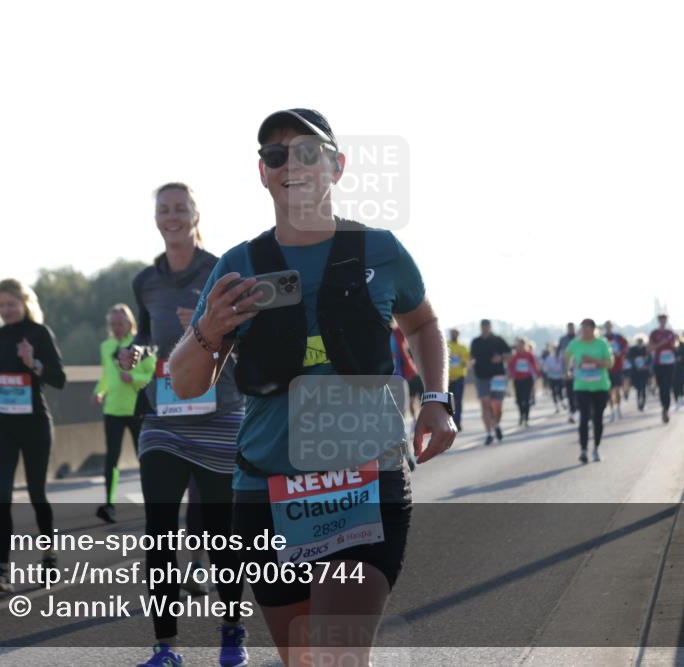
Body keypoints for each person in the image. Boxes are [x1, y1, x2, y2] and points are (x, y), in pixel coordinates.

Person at [167, 108, 456, 667]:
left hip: (363, 484)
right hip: (266, 493)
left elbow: (422, 323)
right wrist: (208, 329)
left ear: (336, 166)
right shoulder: (240, 265)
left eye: (307, 151)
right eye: (276, 156)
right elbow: (186, 382)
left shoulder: (381, 250)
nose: (290, 164)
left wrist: (436, 401)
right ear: (263, 173)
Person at [119, 182, 249, 667]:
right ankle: (165, 647)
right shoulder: (145, 280)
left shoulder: (223, 271)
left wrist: (205, 328)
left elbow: (246, 340)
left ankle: (233, 630)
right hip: (165, 420)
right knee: (158, 531)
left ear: (196, 214)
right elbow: (150, 339)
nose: (172, 216)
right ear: (156, 218)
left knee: (220, 532)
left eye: (180, 208)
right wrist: (138, 351)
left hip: (220, 416)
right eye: (164, 209)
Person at [0, 279, 66, 593]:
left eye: (11, 304)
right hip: (3, 422)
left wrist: (34, 363)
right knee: (2, 493)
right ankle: (3, 568)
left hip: (34, 424)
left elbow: (60, 379)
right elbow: (3, 373)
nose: (6, 311)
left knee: (36, 492)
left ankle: (49, 556)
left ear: (24, 303)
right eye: (1, 305)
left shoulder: (39, 333)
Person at [93, 304, 154, 523]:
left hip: (138, 408)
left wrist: (134, 379)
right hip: (113, 409)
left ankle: (152, 503)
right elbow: (106, 376)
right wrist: (99, 392)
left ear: (130, 323)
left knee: (145, 459)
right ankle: (109, 505)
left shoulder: (142, 344)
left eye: (120, 323)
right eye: (112, 324)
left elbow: (152, 374)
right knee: (112, 458)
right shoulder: (106, 346)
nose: (116, 328)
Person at [563, 318, 612, 463]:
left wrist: (593, 361)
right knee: (584, 418)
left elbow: (610, 363)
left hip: (600, 387)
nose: (584, 331)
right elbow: (567, 357)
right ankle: (583, 450)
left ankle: (596, 448)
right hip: (582, 387)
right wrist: (568, 370)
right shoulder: (575, 344)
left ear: (593, 329)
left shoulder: (602, 344)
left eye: (587, 328)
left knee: (598, 419)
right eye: (582, 328)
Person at [470, 319, 511, 445]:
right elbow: (471, 357)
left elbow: (509, 353)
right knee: (485, 403)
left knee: (497, 406)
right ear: (480, 327)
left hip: (497, 376)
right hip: (481, 376)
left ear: (490, 327)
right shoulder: (476, 342)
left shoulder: (498, 340)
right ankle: (489, 433)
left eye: (487, 326)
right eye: (483, 326)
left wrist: (501, 358)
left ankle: (496, 424)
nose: (485, 328)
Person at [647, 313, 677, 423]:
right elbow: (649, 349)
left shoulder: (671, 333)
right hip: (658, 363)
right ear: (658, 321)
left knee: (667, 387)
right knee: (661, 387)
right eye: (661, 320)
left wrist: (673, 346)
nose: (663, 321)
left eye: (665, 320)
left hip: (670, 364)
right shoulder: (654, 333)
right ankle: (663, 406)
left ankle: (666, 409)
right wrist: (660, 344)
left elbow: (675, 346)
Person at [391, 323, 423, 422]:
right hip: (392, 377)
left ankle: (418, 420)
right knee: (409, 401)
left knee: (416, 401)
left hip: (409, 376)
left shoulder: (398, 334)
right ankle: (414, 420)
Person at [508, 338, 540, 427]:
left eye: (522, 345)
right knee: (519, 399)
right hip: (518, 380)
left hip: (527, 379)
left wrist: (536, 376)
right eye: (519, 345)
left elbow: (534, 366)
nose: (520, 347)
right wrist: (511, 374)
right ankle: (521, 415)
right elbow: (510, 367)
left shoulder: (529, 355)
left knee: (526, 399)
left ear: (525, 345)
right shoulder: (515, 356)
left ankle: (526, 418)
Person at [603, 320, 629, 423]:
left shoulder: (618, 337)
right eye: (607, 326)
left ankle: (618, 408)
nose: (609, 328)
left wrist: (621, 352)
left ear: (612, 327)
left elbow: (626, 347)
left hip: (618, 367)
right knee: (609, 391)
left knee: (617, 390)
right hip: (606, 368)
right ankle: (612, 411)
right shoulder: (602, 339)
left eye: (610, 326)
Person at [447, 328, 470, 431]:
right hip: (447, 378)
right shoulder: (446, 345)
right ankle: (449, 421)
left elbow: (465, 362)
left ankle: (458, 422)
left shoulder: (463, 347)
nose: (454, 335)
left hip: (459, 378)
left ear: (458, 335)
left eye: (455, 334)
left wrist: (458, 359)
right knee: (448, 402)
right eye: (452, 333)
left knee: (458, 401)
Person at [556, 322, 578, 423]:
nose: (571, 329)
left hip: (579, 370)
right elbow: (559, 353)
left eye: (572, 328)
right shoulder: (563, 339)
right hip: (567, 370)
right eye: (569, 328)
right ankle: (572, 411)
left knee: (578, 392)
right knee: (569, 392)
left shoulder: (579, 338)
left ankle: (577, 409)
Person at [626, 336, 651, 412]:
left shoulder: (646, 349)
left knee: (643, 388)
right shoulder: (632, 349)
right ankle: (638, 403)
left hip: (644, 372)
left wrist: (646, 366)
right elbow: (629, 358)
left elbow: (650, 359)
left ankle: (642, 404)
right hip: (635, 372)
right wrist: (635, 365)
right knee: (638, 389)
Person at [541, 343, 567, 412]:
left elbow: (564, 366)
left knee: (560, 391)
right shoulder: (549, 358)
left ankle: (562, 402)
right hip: (551, 377)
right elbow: (545, 368)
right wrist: (549, 369)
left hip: (559, 377)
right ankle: (556, 406)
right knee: (554, 392)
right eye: (555, 349)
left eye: (557, 349)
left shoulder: (561, 357)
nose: (556, 351)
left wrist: (563, 371)